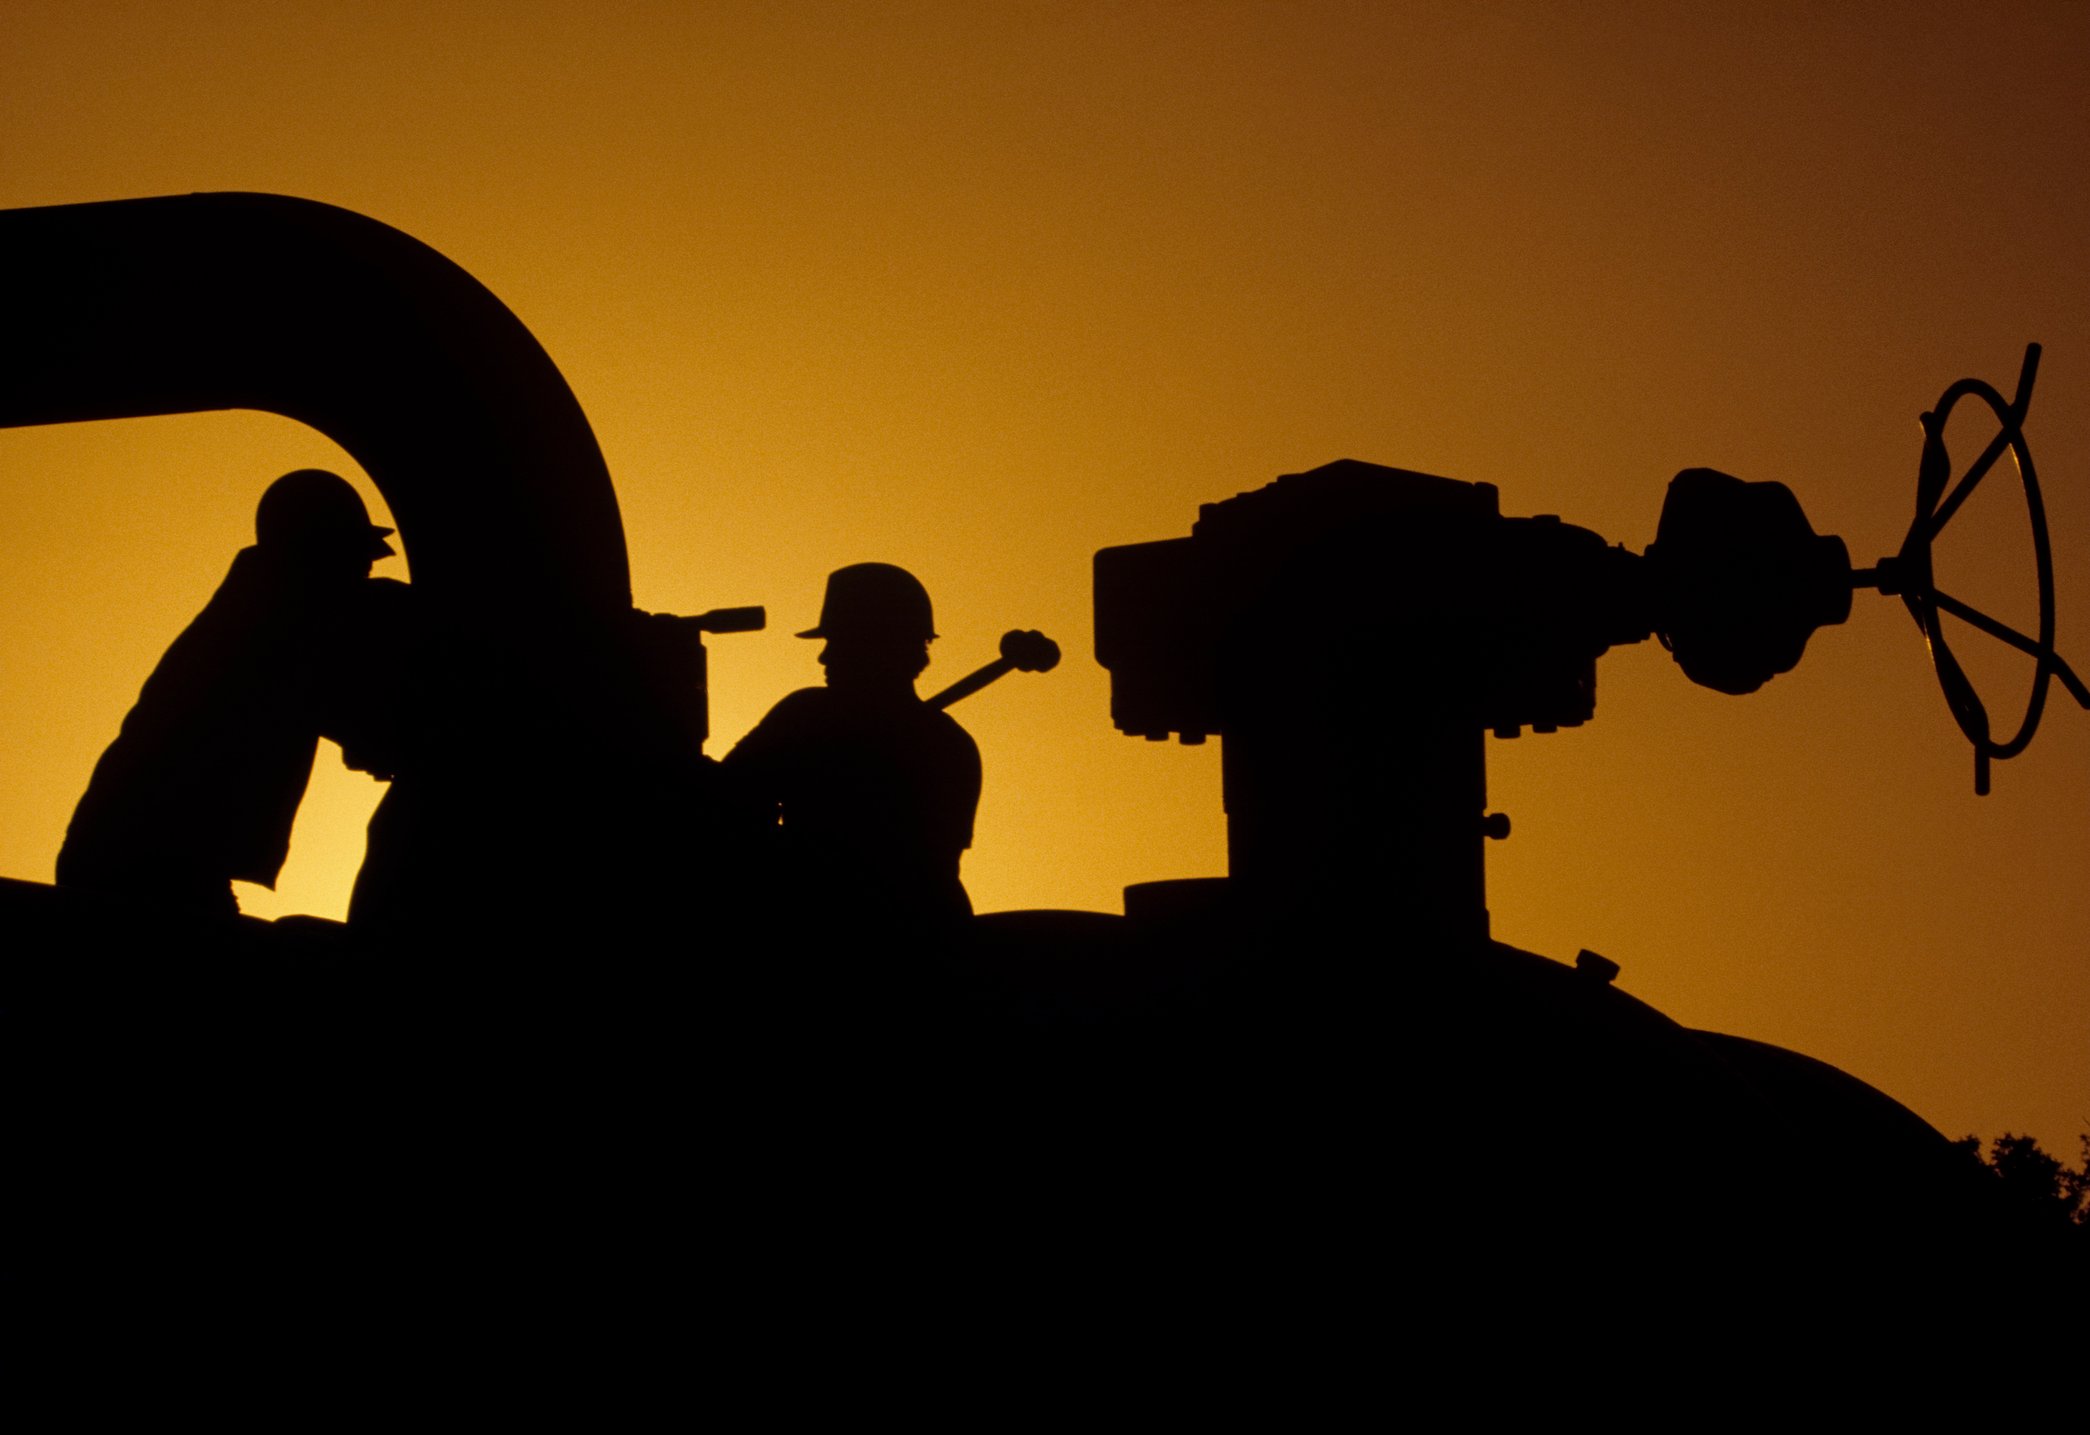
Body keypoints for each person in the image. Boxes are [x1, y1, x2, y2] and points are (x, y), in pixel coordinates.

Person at [56, 469, 398, 920]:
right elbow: (360, 720)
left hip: (142, 854)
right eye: (356, 559)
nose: (364, 573)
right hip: (145, 861)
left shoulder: (262, 609)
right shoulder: (279, 624)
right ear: (320, 555)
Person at [725, 563, 982, 935]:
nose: (823, 658)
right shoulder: (953, 744)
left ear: (875, 647)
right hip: (930, 939)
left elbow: (724, 805)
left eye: (838, 642)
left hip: (844, 932)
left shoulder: (808, 714)